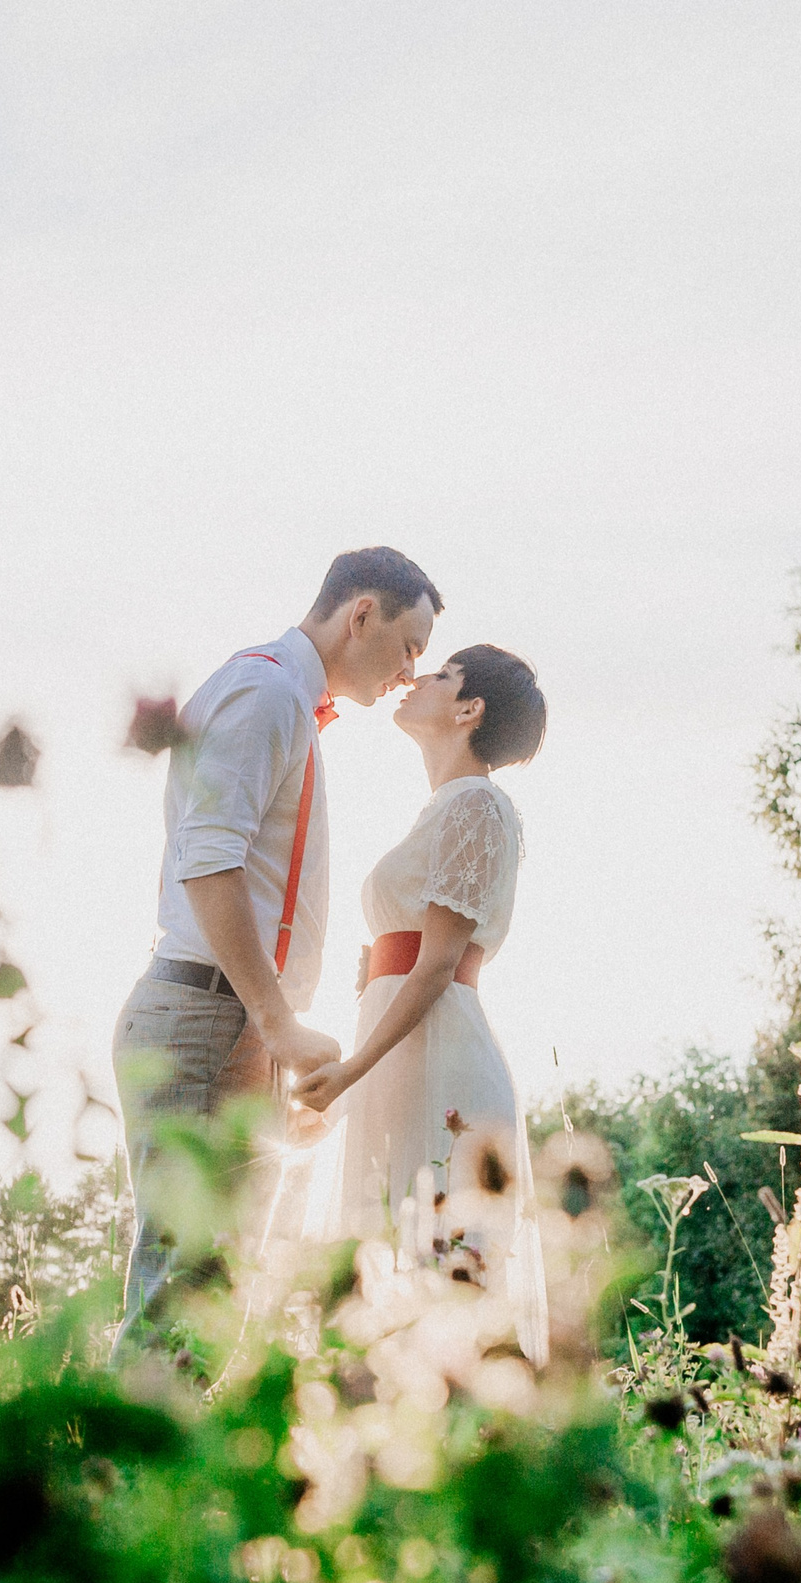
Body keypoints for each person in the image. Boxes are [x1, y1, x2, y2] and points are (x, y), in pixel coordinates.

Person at [114, 546, 442, 1344]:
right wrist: (277, 1026)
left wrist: (270, 1054)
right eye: (408, 647)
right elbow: (209, 861)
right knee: (183, 1302)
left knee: (212, 1300)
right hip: (208, 1017)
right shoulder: (264, 693)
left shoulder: (285, 698)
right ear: (360, 614)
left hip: (228, 1024)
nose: (409, 673)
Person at [290, 643, 548, 1359]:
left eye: (441, 674)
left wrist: (349, 1074)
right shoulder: (445, 809)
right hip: (402, 1050)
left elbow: (435, 965)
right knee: (386, 1254)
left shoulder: (476, 805)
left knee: (438, 1264)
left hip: (439, 1055)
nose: (417, 678)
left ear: (469, 709)